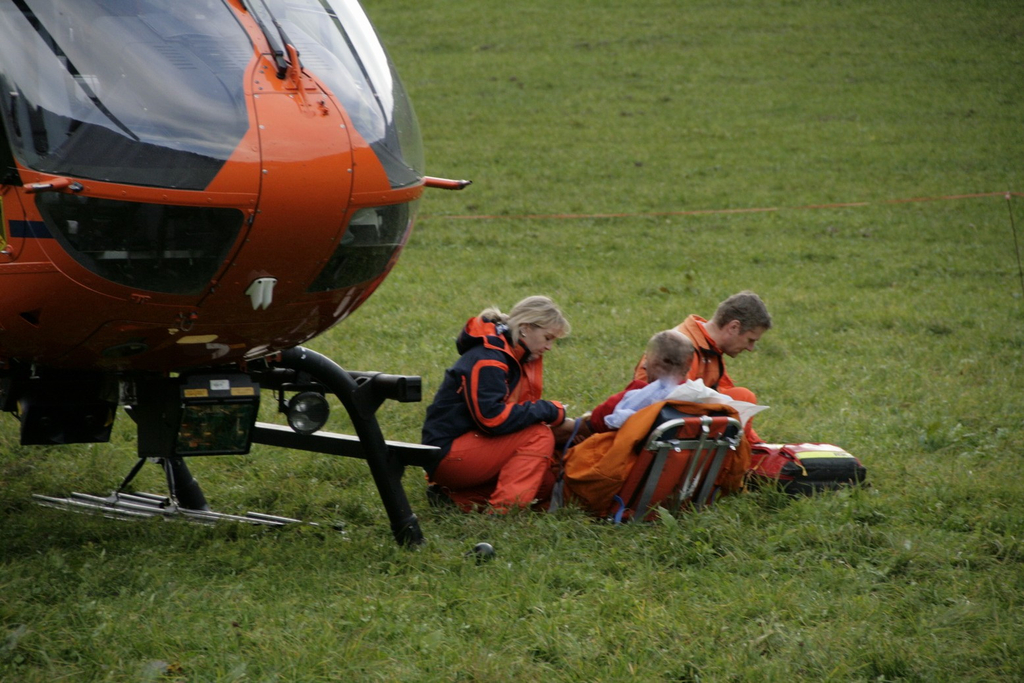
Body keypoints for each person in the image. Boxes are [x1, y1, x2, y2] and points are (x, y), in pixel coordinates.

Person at [421, 295, 573, 511]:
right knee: (539, 435)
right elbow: (492, 418)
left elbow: (514, 417)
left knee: (544, 484)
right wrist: (549, 410)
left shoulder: (513, 354)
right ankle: (504, 512)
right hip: (448, 455)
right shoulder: (489, 358)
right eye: (547, 338)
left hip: (468, 448)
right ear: (525, 328)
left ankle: (454, 499)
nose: (549, 347)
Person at [633, 290, 772, 443]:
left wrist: (759, 445)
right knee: (743, 397)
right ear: (733, 327)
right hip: (655, 435)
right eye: (750, 340)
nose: (750, 348)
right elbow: (668, 408)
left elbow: (724, 397)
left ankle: (749, 449)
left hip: (678, 429)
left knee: (743, 397)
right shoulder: (682, 349)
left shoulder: (709, 348)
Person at [572, 330, 694, 442]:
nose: (644, 365)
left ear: (655, 362)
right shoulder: (697, 402)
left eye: (647, 359)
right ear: (687, 368)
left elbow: (579, 428)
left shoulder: (634, 397)